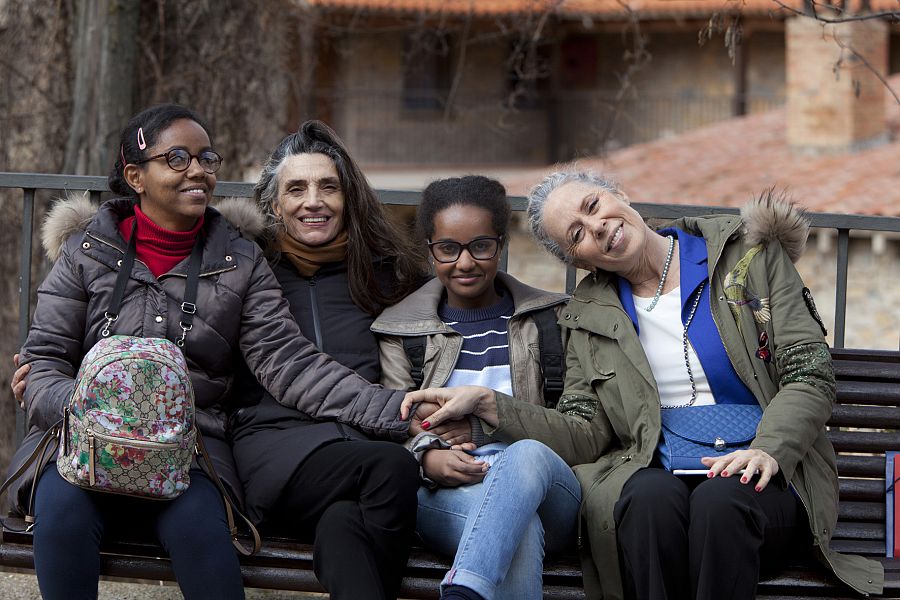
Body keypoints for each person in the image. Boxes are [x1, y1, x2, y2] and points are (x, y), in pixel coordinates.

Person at [402, 170, 884, 600]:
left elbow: (809, 373)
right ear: (579, 258)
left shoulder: (747, 259)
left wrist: (769, 450)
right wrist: (492, 405)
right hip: (659, 466)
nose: (598, 229)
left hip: (768, 470)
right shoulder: (587, 316)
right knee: (643, 500)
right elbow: (586, 430)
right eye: (578, 235)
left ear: (620, 195)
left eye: (594, 207)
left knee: (721, 503)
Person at [5, 104, 417, 600]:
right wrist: (97, 408)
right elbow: (44, 361)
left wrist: (400, 412)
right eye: (177, 158)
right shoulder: (86, 253)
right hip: (81, 450)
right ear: (136, 175)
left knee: (206, 544)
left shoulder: (240, 261)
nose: (198, 169)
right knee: (63, 522)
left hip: (191, 453)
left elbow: (288, 362)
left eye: (206, 157)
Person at [227, 120, 429, 600]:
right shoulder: (246, 275)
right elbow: (163, 320)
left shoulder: (387, 275)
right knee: (391, 467)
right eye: (295, 188)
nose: (313, 201)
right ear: (273, 204)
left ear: (348, 198)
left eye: (328, 187)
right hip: (274, 450)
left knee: (343, 528)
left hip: (356, 450)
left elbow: (464, 315)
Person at [373, 176, 582, 600]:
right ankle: (471, 586)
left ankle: (465, 586)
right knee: (516, 531)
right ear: (430, 249)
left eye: (480, 246)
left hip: (548, 487)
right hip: (448, 493)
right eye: (448, 248)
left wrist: (490, 426)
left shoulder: (552, 321)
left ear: (500, 245)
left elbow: (580, 431)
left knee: (525, 456)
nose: (465, 262)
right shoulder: (403, 332)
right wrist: (425, 458)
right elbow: (390, 424)